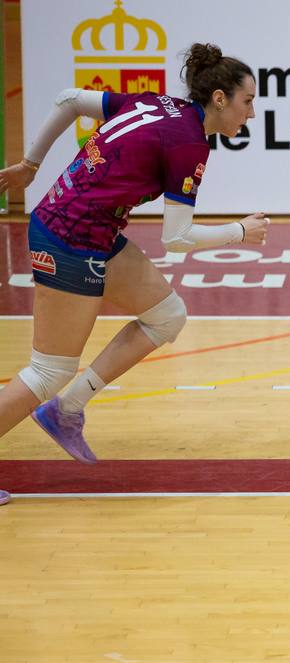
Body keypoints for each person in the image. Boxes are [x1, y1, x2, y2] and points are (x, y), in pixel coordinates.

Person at [0, 43, 270, 506]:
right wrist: (239, 231)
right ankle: (59, 399)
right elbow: (177, 238)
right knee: (49, 370)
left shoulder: (156, 102)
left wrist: (30, 166)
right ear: (220, 98)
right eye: (248, 102)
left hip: (86, 227)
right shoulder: (189, 144)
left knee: (167, 315)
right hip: (70, 237)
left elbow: (68, 99)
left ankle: (68, 410)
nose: (251, 113)